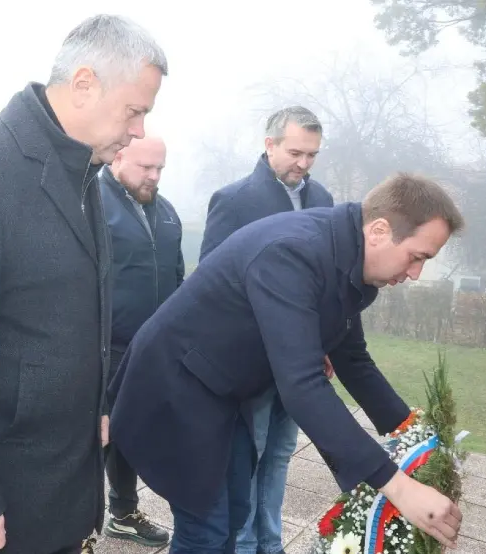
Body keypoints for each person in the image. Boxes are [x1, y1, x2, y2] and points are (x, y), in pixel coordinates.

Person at [0, 14, 168, 554]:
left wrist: (99, 403)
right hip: (2, 486)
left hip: (61, 471)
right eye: (134, 111)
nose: (138, 130)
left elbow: (71, 315)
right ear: (85, 84)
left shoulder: (82, 173)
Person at [108, 173, 466, 553]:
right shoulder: (293, 252)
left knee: (235, 512)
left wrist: (415, 436)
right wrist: (398, 486)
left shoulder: (346, 260)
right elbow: (303, 385)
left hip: (223, 392)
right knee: (206, 528)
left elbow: (353, 359)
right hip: (174, 388)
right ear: (378, 230)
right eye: (417, 257)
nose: (415, 274)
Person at [200, 106, 333, 554]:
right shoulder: (234, 200)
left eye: (312, 155)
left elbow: (325, 286)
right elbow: (210, 286)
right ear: (269, 144)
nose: (303, 163)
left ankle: (270, 546)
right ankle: (242, 544)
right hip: (253, 359)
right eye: (295, 152)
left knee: (279, 456)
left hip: (300, 364)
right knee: (248, 459)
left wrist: (323, 345)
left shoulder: (324, 202)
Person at [99, 135, 180, 547]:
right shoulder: (91, 202)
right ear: (118, 157)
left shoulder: (167, 214)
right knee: (95, 434)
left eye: (160, 168)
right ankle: (78, 524)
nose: (153, 176)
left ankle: (123, 513)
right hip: (104, 345)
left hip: (151, 348)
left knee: (130, 431)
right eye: (145, 167)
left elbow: (178, 280)